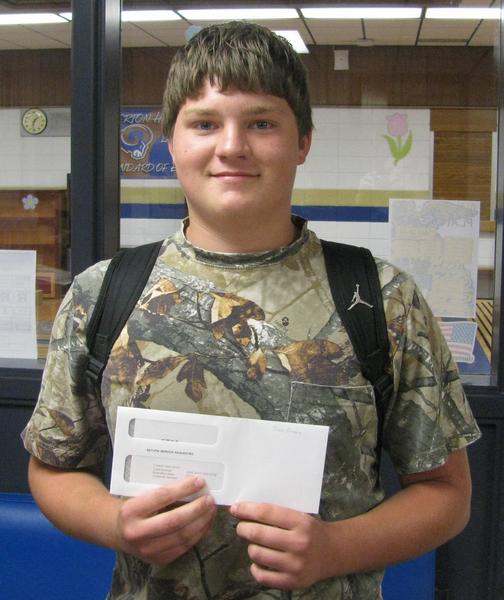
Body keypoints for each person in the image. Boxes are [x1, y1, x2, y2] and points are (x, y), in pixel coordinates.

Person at [23, 21, 480, 600]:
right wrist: (115, 524)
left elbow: (446, 494)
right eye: (205, 123)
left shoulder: (380, 297)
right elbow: (54, 468)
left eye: (261, 123)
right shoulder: (103, 293)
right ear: (171, 142)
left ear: (303, 142)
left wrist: (334, 550)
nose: (232, 146)